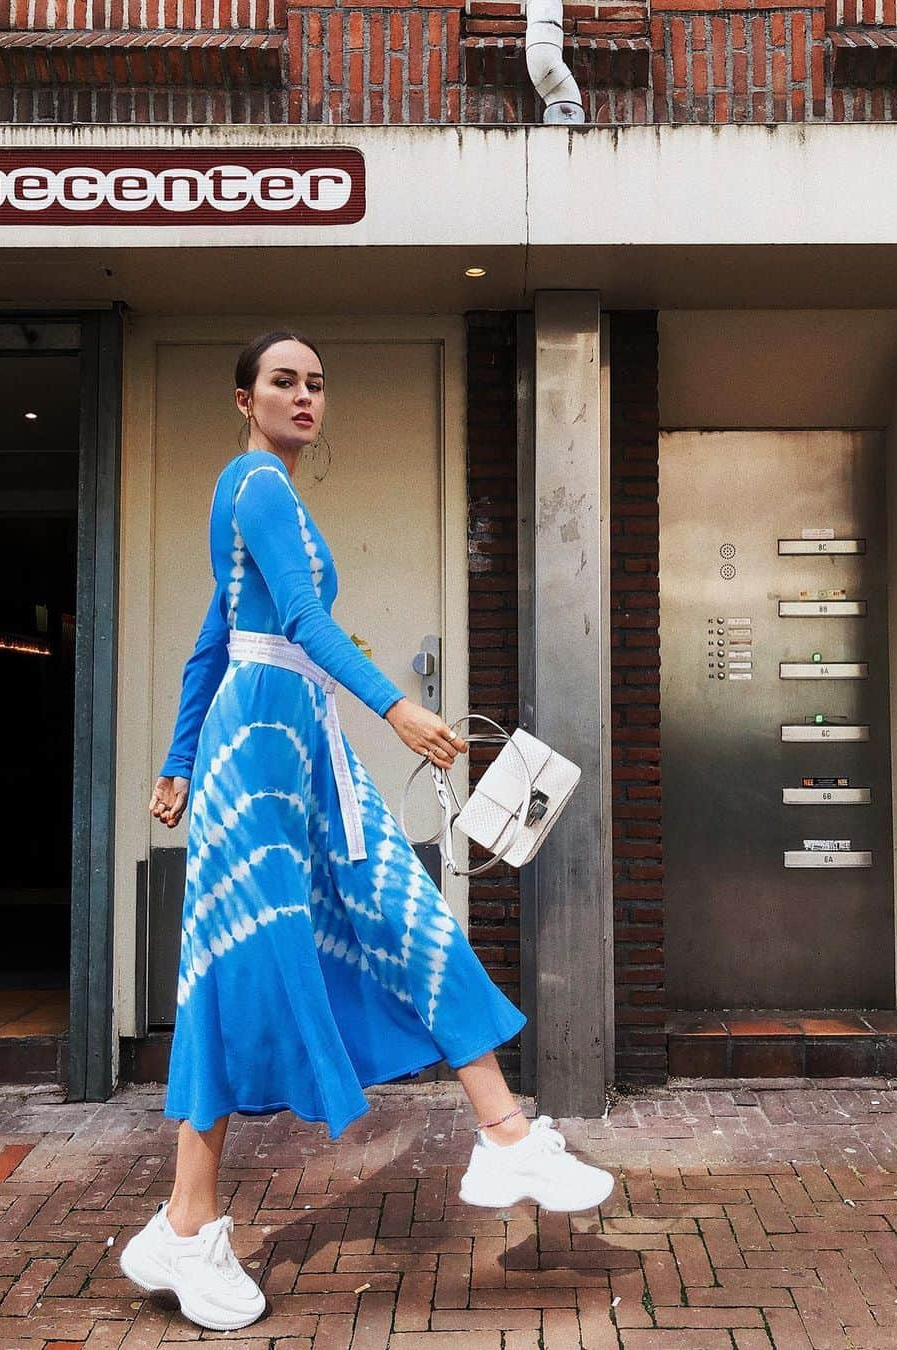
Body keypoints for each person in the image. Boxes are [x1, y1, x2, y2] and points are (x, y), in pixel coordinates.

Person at [119, 331, 614, 1332]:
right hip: (260, 753)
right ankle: (185, 1223)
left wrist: (175, 761)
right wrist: (396, 706)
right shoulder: (254, 484)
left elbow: (207, 645)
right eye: (283, 382)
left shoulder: (269, 500)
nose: (305, 397)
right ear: (243, 398)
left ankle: (505, 1131)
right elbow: (292, 622)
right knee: (242, 969)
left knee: (399, 908)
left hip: (293, 744)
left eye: (315, 384)